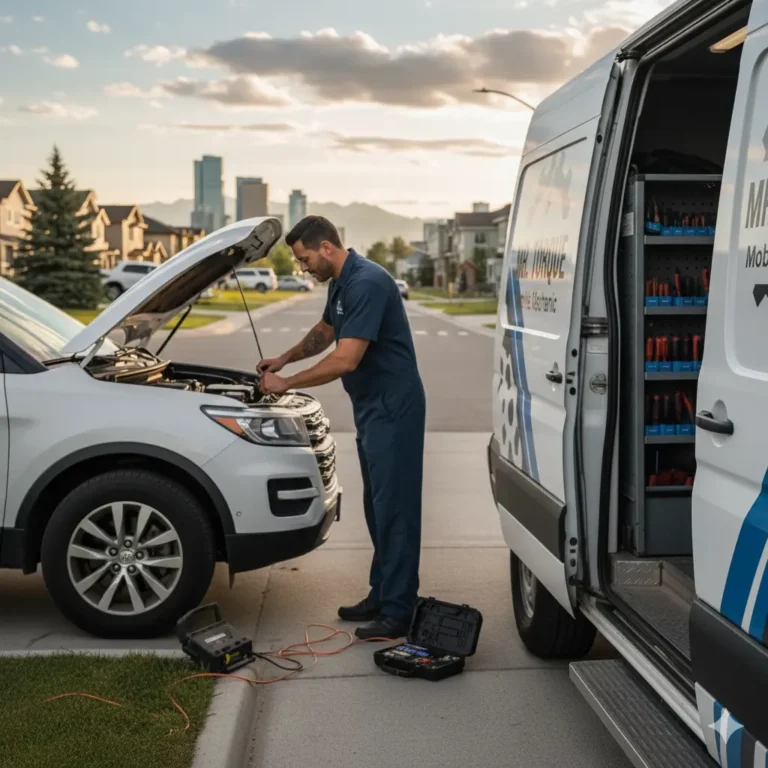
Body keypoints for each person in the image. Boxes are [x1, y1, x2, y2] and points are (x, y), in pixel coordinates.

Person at [257, 216, 426, 640]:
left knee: (396, 509)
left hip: (394, 410)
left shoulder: (368, 282)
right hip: (372, 409)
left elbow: (344, 358)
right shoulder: (342, 282)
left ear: (327, 248)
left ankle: (399, 611)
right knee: (377, 506)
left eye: (305, 259)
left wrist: (287, 383)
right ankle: (383, 592)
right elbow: (325, 331)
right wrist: (284, 358)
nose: (304, 268)